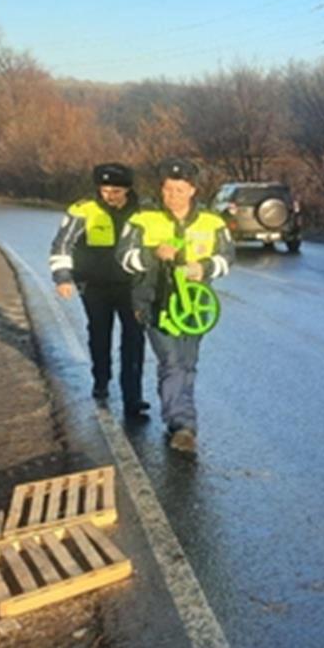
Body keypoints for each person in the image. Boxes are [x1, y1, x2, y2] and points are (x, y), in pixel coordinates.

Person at [118, 157, 234, 454]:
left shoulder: (212, 222)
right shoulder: (142, 219)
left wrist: (205, 268)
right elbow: (124, 257)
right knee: (171, 362)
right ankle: (182, 424)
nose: (172, 196)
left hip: (194, 310)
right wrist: (152, 253)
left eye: (180, 190)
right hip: (154, 304)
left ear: (192, 190)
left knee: (188, 364)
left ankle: (179, 415)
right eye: (168, 189)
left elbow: (227, 259)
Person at [50, 162, 149, 420]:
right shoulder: (83, 210)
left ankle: (133, 396)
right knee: (99, 334)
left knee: (134, 340)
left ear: (128, 189)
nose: (110, 196)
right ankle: (101, 379)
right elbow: (62, 244)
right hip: (95, 287)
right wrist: (63, 277)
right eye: (105, 190)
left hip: (133, 286)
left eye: (116, 190)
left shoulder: (144, 210)